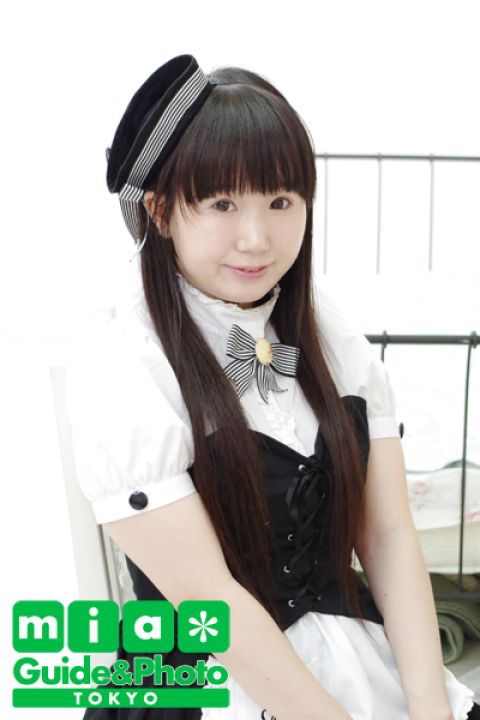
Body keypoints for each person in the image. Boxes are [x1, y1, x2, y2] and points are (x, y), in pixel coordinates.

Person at [66, 54, 478, 719]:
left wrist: (430, 707)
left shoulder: (328, 333)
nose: (257, 239)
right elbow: (212, 603)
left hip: (355, 651)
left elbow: (387, 535)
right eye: (222, 203)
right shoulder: (126, 371)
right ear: (161, 212)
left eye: (280, 201)